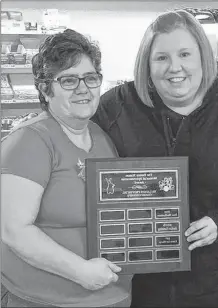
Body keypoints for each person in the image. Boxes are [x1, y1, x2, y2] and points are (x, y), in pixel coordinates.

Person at [92, 10, 218, 308]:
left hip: (217, 282)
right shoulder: (116, 107)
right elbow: (73, 144)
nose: (175, 67)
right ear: (147, 63)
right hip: (136, 282)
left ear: (203, 58)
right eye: (161, 57)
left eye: (184, 54)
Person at [1, 29, 132, 308]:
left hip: (110, 296)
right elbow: (13, 230)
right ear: (45, 88)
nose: (83, 88)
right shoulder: (29, 141)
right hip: (46, 301)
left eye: (91, 78)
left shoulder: (100, 136)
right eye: (69, 80)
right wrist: (80, 271)